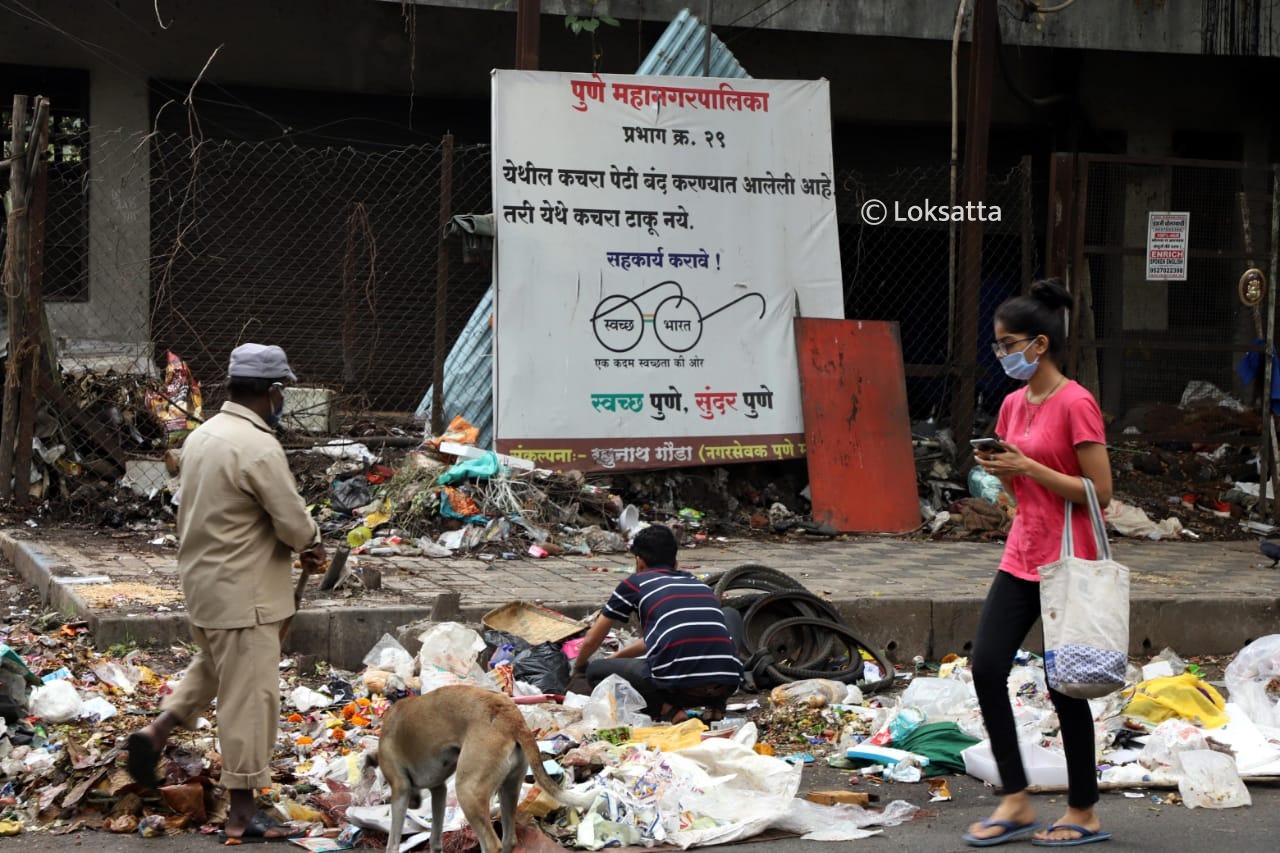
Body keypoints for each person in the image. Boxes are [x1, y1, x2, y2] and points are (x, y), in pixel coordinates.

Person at [126, 344, 326, 842]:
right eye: (282, 391)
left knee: (214, 667)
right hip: (247, 595)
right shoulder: (257, 447)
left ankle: (158, 730)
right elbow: (292, 520)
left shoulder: (203, 437)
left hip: (205, 587)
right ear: (273, 392)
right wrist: (313, 546)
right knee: (250, 700)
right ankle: (243, 812)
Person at [962, 279, 1114, 848]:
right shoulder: (1009, 403)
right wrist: (999, 472)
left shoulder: (1076, 402)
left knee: (1064, 684)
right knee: (986, 667)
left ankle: (1083, 810)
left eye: (1009, 344)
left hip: (1070, 560)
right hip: (1022, 552)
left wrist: (1027, 469)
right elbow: (1018, 482)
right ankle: (1017, 798)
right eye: (998, 345)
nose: (1001, 354)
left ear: (1041, 344)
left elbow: (1099, 492)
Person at [570, 525, 744, 722]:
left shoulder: (635, 583)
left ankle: (669, 711)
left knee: (596, 671)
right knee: (729, 614)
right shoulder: (697, 583)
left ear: (639, 561)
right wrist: (617, 658)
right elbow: (656, 640)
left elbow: (592, 640)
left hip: (676, 691)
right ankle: (716, 707)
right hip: (726, 683)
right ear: (676, 562)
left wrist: (579, 668)